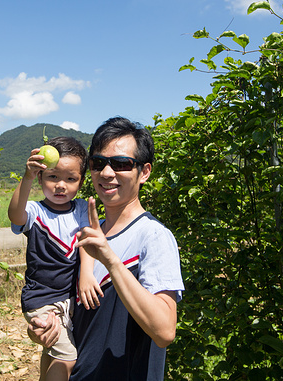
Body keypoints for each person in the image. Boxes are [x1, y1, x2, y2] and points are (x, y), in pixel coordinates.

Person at [28, 117, 184, 381]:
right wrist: (42, 329)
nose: (107, 173)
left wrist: (111, 260)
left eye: (122, 164)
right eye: (98, 163)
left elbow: (165, 330)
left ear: (144, 172)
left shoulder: (153, 236)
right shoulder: (86, 233)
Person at [8, 136, 102, 381]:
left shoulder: (81, 208)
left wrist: (86, 274)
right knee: (67, 357)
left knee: (52, 351)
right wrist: (26, 177)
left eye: (71, 179)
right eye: (53, 177)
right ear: (40, 177)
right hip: (43, 300)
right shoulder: (36, 212)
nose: (61, 185)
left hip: (68, 300)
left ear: (80, 183)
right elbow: (16, 215)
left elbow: (86, 240)